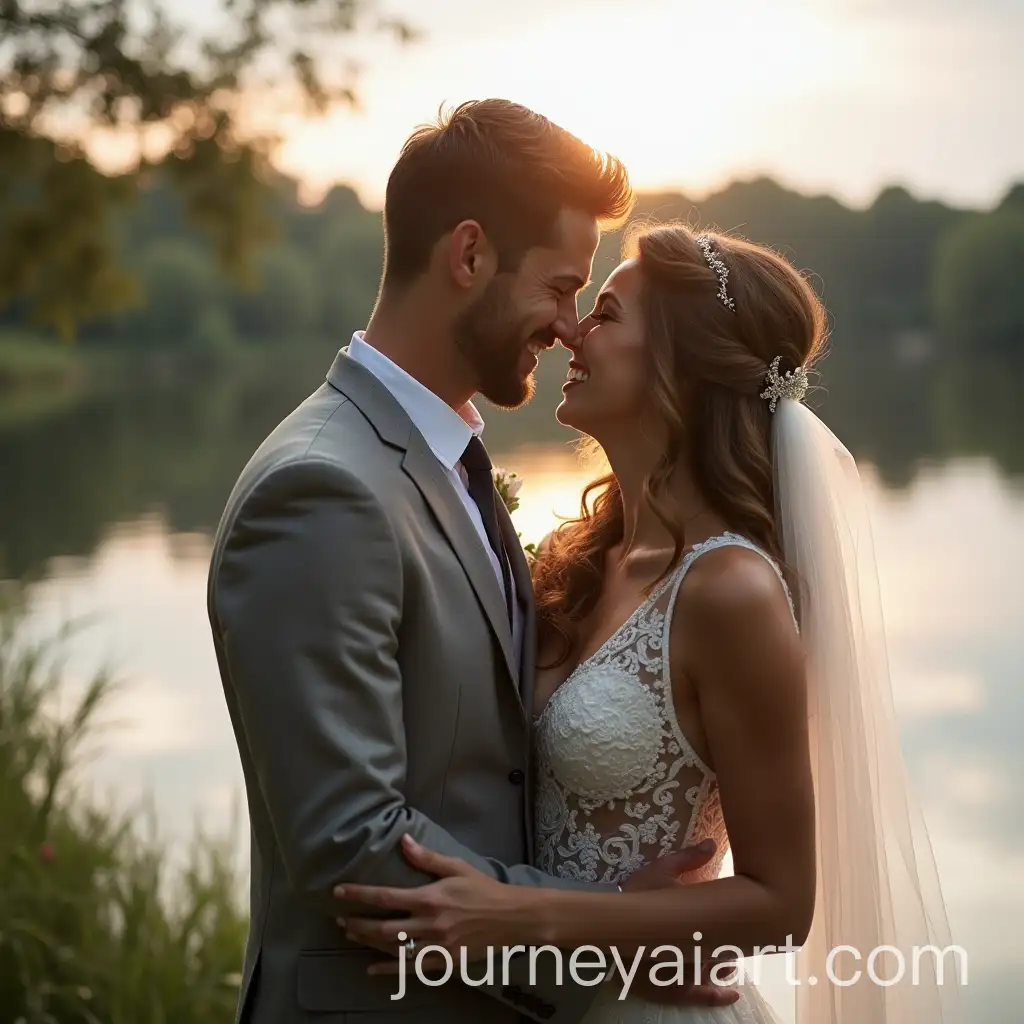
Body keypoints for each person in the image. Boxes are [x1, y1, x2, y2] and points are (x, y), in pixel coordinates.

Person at [335, 225, 963, 1024]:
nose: (571, 331)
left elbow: (781, 902)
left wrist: (524, 917)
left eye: (604, 314)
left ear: (682, 366)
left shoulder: (730, 592)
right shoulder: (578, 562)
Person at [206, 101, 734, 1024]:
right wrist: (608, 932)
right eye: (563, 287)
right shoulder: (322, 492)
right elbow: (351, 852)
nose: (572, 327)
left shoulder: (449, 461)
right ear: (469, 255)